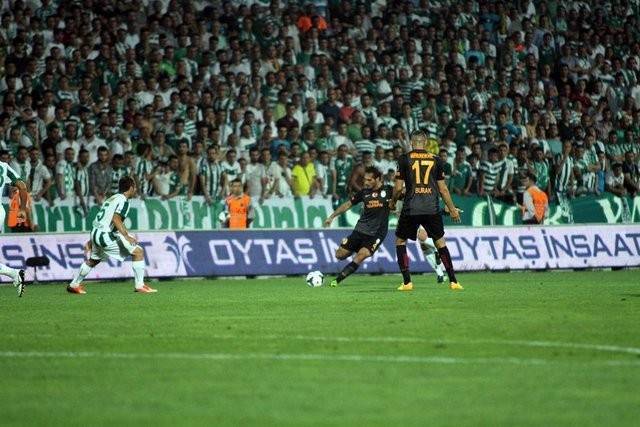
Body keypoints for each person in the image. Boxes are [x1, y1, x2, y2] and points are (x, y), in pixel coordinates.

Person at [392, 130, 463, 291]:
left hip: (411, 207)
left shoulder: (404, 159)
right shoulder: (436, 160)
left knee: (400, 241)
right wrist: (452, 209)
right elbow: (443, 189)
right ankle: (453, 281)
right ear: (425, 143)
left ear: (411, 142)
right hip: (432, 208)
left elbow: (398, 188)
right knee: (440, 243)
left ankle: (407, 282)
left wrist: (393, 202)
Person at [66, 176, 157, 294]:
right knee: (138, 252)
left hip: (96, 232)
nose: (135, 190)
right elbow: (116, 219)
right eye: (134, 188)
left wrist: (91, 240)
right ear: (130, 188)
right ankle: (140, 285)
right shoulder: (124, 201)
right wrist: (126, 236)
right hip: (105, 235)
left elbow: (104, 219)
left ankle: (74, 284)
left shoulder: (112, 198)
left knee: (93, 260)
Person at [323, 167, 392, 287]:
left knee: (361, 255)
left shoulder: (389, 190)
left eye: (369, 180)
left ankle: (337, 280)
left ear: (378, 179)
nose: (366, 182)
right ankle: (352, 246)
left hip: (376, 234)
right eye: (365, 179)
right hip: (360, 230)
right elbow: (348, 204)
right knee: (339, 255)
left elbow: (405, 195)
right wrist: (332, 217)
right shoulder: (364, 192)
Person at [0, 159, 27, 296]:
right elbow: (22, 186)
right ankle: (14, 273)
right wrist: (22, 209)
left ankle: (14, 273)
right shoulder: (4, 166)